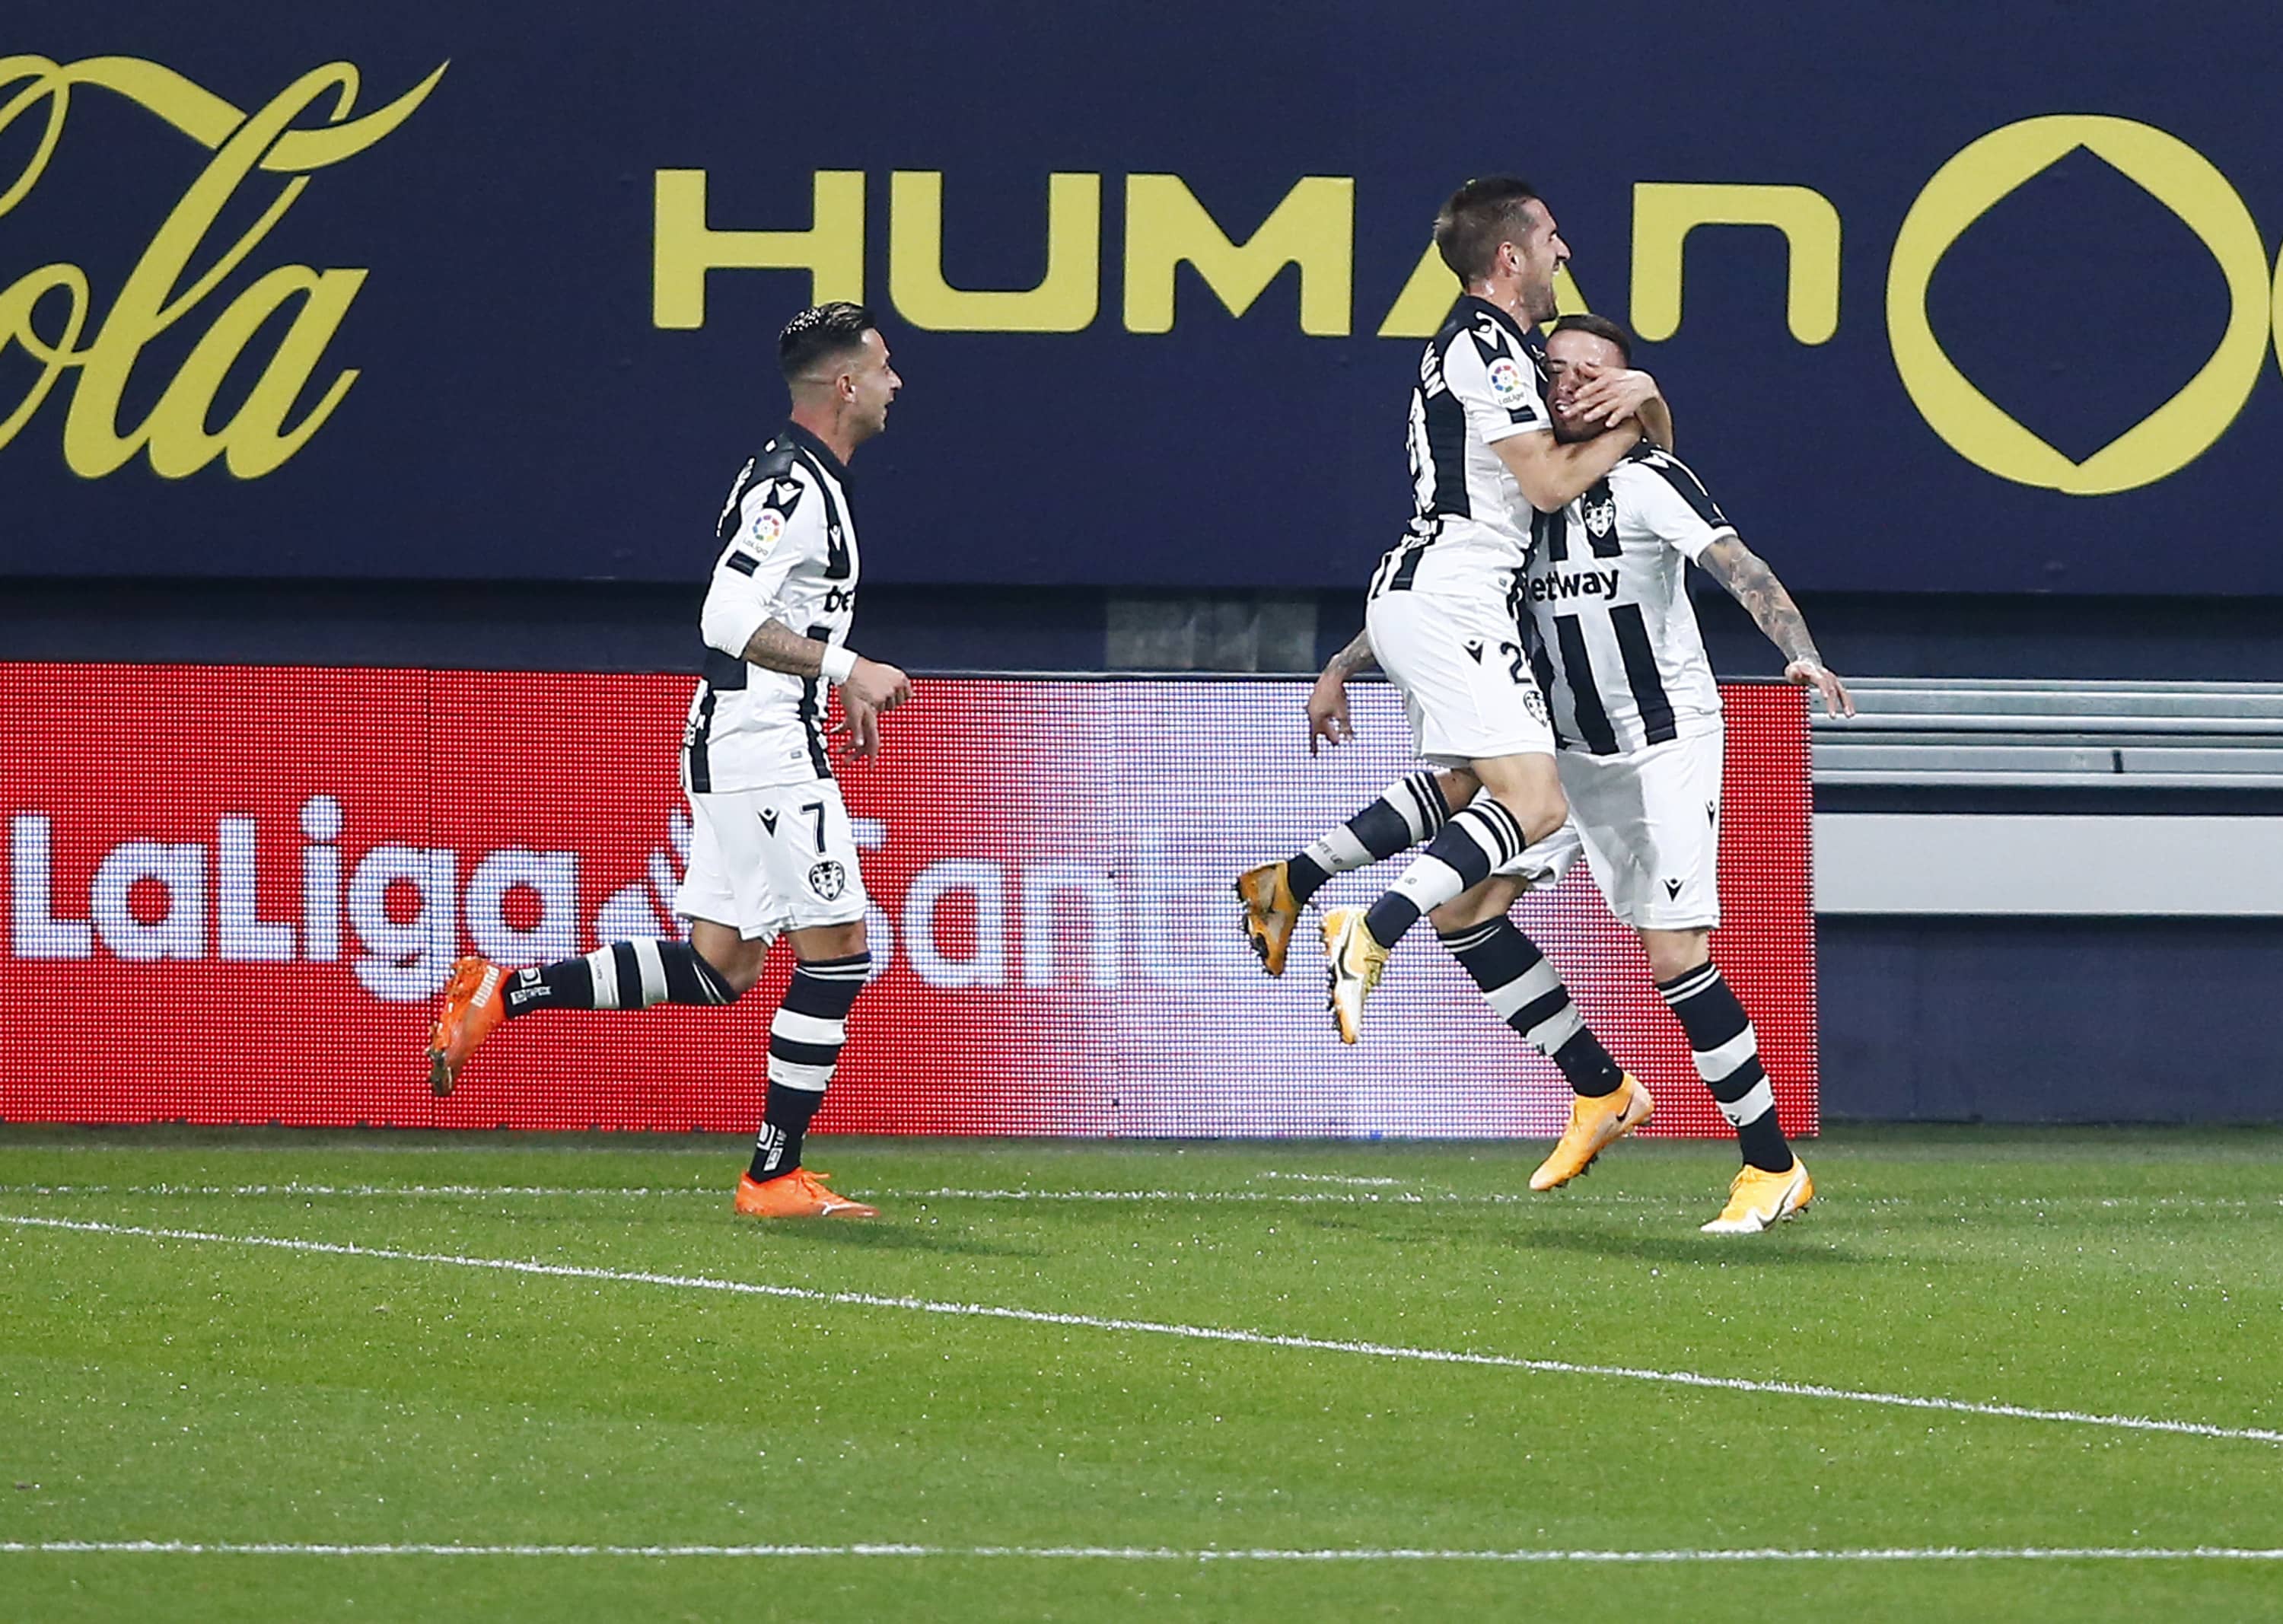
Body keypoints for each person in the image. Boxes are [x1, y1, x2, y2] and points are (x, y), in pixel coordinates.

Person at [1266, 312, 1853, 1234]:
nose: (1576, 383)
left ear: (1629, 390)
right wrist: (1346, 660)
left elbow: (1739, 565)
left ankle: (1771, 1165)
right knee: (1467, 910)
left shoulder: (1649, 478)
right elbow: (1454, 590)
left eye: (1598, 374)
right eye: (1561, 368)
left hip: (1660, 746)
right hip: (1567, 748)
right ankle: (1601, 1090)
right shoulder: (1524, 497)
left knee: (1674, 956)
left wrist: (1801, 650)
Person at [425, 302, 912, 1220]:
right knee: (840, 952)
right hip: (762, 743)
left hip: (747, 735)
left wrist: (832, 677)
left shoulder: (801, 479)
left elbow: (776, 617)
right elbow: (724, 619)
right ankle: (773, 1175)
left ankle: (505, 991)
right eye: (885, 367)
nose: (898, 383)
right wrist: (850, 666)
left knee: (719, 966)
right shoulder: (794, 489)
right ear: (844, 384)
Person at [1240, 176, 1669, 1193]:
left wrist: (1346, 659)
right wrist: (1641, 407)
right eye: (1554, 239)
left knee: (1470, 831)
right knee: (1533, 800)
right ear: (1510, 257)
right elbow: (1550, 485)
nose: (1567, 255)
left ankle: (1293, 882)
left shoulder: (1503, 356)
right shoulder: (1484, 344)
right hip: (1456, 603)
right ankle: (1364, 926)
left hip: (1440, 598)